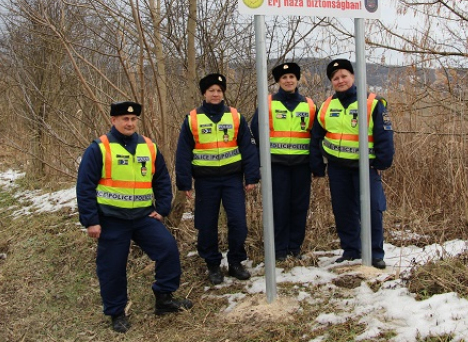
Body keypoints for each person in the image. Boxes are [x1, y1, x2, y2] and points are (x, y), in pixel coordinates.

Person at [76, 101, 192, 333]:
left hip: (143, 217)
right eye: (124, 119)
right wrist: (91, 220)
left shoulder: (148, 146)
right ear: (113, 121)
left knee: (168, 249)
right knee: (112, 267)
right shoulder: (100, 148)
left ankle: (164, 299)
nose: (129, 123)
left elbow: (161, 178)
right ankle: (116, 313)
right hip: (111, 219)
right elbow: (85, 186)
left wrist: (162, 208)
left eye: (133, 119)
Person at [175, 73, 261, 285]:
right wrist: (184, 182)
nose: (215, 94)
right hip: (205, 182)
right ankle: (212, 264)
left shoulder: (235, 117)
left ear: (223, 93)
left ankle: (235, 262)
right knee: (206, 225)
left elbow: (248, 149)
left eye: (219, 91)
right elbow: (183, 153)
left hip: (232, 179)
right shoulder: (193, 119)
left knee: (238, 222)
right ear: (204, 93)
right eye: (211, 91)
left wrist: (251, 176)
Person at [310, 59, 394, 269]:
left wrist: (381, 162)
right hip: (338, 168)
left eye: (344, 76)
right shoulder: (327, 106)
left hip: (365, 167)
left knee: (372, 208)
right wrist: (318, 165)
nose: (340, 80)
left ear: (353, 77)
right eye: (335, 78)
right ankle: (351, 250)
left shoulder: (372, 103)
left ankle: (375, 253)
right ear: (332, 82)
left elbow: (384, 135)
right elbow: (317, 136)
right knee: (343, 210)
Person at [251, 62, 316, 261]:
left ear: (297, 80)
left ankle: (294, 247)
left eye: (292, 77)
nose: (288, 80)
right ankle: (278, 249)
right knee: (278, 207)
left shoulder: (310, 105)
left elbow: (317, 135)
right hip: (276, 166)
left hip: (301, 166)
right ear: (278, 81)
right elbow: (256, 130)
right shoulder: (268, 103)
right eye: (284, 78)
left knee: (299, 206)